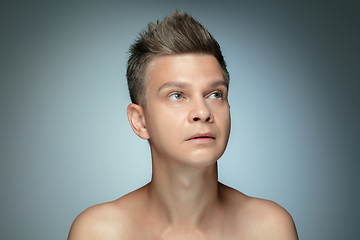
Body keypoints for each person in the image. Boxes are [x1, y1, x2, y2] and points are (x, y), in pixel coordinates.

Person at [68, 11, 298, 240]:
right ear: (140, 121)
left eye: (215, 94)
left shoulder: (269, 229)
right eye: (177, 95)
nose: (202, 112)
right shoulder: (99, 232)